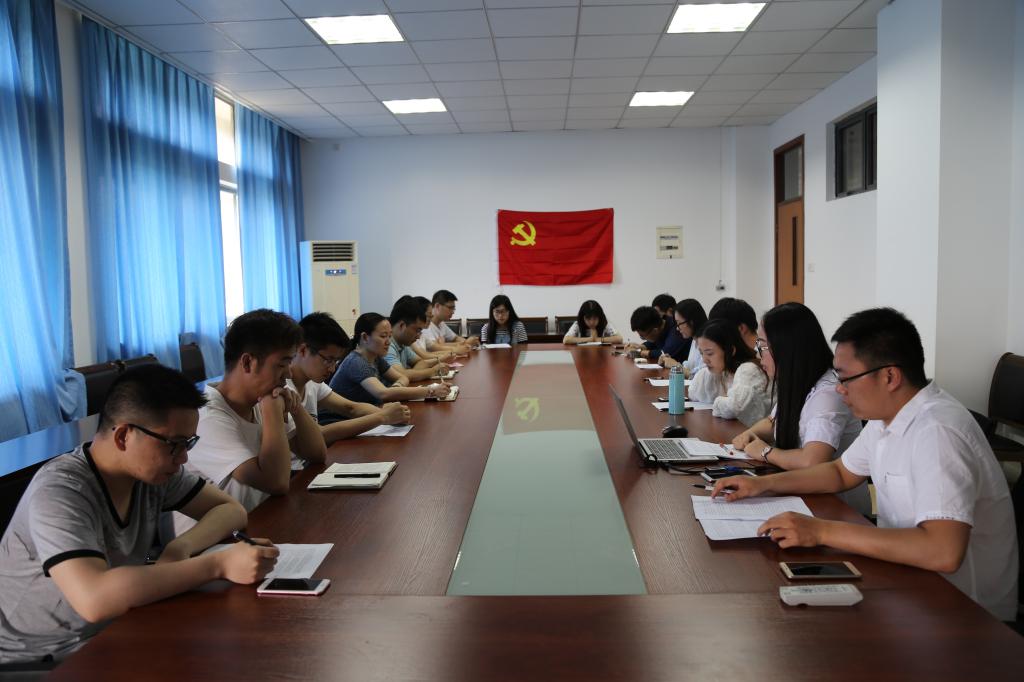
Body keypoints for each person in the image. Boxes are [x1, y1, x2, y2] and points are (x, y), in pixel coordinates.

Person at [712, 308, 1018, 620]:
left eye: (846, 378)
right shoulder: (886, 418)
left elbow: (943, 550)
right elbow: (839, 473)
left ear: (889, 377)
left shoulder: (937, 432)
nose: (839, 388)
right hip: (910, 582)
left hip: (968, 613)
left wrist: (821, 531)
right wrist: (761, 484)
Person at [0, 365, 278, 665]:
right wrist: (217, 565)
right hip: (35, 658)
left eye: (188, 444)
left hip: (112, 627)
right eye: (175, 445)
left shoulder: (154, 472)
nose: (184, 457)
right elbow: (94, 598)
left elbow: (230, 510)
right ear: (123, 436)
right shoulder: (61, 490)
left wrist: (180, 547)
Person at [183, 309, 325, 516]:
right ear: (247, 362)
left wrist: (296, 409)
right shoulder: (206, 417)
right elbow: (276, 482)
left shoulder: (262, 397)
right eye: (282, 364)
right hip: (221, 535)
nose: (288, 374)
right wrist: (273, 412)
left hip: (261, 519)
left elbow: (317, 454)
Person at [729, 303, 868, 514]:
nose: (758, 354)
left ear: (787, 348)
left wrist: (765, 452)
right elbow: (773, 422)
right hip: (804, 495)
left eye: (763, 346)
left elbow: (812, 461)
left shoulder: (829, 393)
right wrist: (749, 434)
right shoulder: (799, 380)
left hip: (837, 509)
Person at [289, 312, 410, 443]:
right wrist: (382, 417)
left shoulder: (313, 382)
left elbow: (351, 408)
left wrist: (388, 414)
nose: (332, 369)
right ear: (303, 350)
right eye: (328, 360)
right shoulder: (284, 388)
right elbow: (319, 434)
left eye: (335, 361)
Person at [330, 312, 451, 405]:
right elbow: (383, 394)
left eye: (389, 336)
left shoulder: (376, 358)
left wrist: (395, 389)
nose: (388, 342)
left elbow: (402, 377)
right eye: (383, 336)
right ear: (365, 337)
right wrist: (431, 391)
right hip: (341, 421)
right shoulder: (356, 361)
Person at [688, 319, 772, 425]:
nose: (704, 360)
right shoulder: (720, 372)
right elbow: (693, 392)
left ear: (731, 350)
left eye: (709, 354)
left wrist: (717, 401)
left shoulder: (749, 370)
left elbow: (735, 408)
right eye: (701, 353)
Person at [386, 300, 450, 382]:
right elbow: (400, 375)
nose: (419, 336)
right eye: (417, 330)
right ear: (402, 326)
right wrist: (433, 371)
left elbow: (420, 362)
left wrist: (412, 374)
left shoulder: (403, 344)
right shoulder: (387, 345)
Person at [658, 298, 707, 376]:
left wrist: (675, 366)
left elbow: (701, 377)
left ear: (691, 321)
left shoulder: (708, 341)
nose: (677, 328)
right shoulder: (695, 339)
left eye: (679, 324)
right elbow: (691, 367)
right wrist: (670, 362)